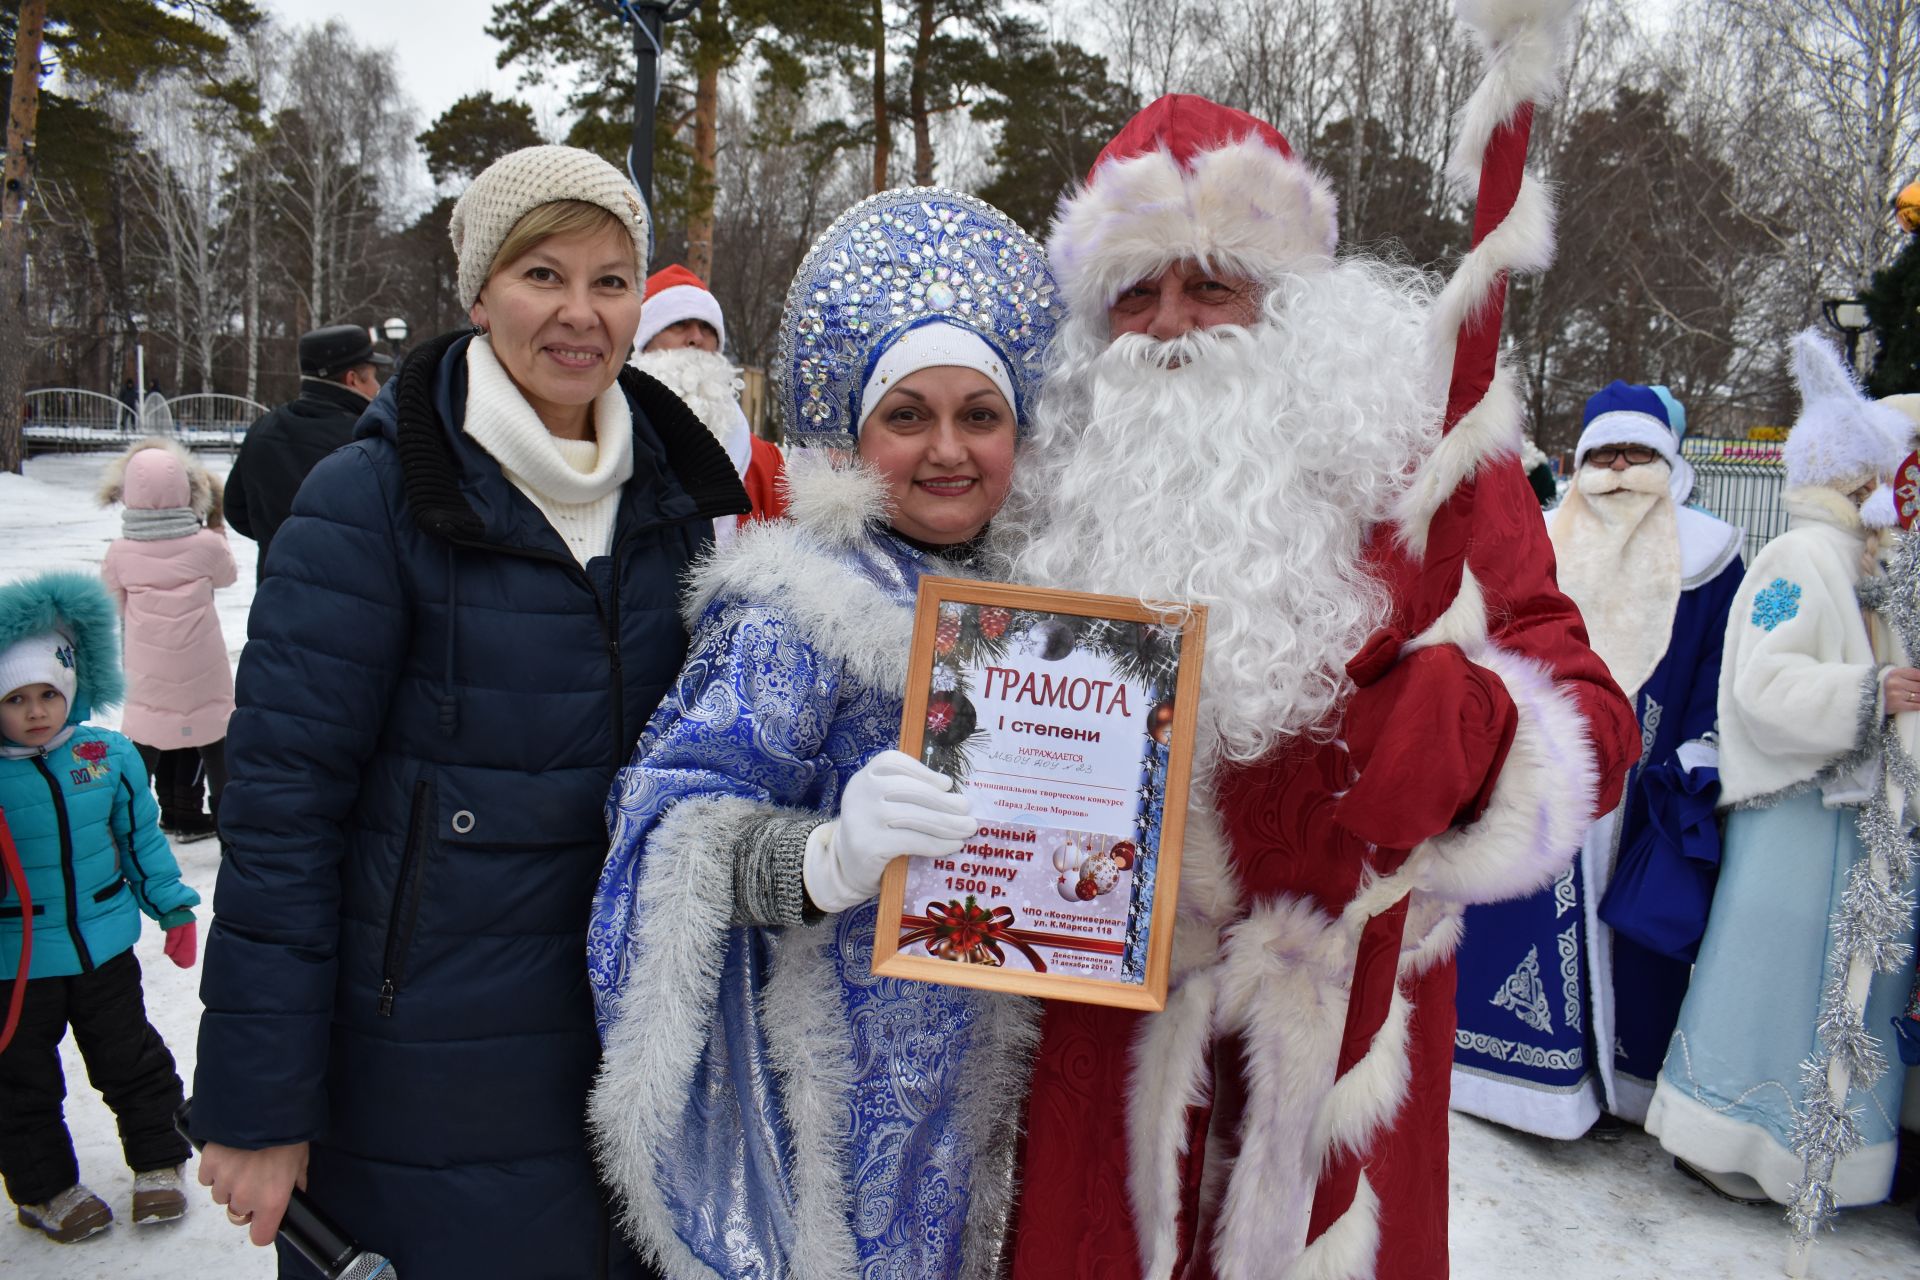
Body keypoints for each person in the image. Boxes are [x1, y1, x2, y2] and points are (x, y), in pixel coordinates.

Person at [992, 94, 1639, 1278]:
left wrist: (1489, 736)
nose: (1172, 325)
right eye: (1136, 293)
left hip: (1341, 1038)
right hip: (1108, 1035)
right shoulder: (1049, 476)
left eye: (1214, 283)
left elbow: (1591, 714)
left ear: (1288, 297)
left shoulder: (1429, 462)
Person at [190, 145, 749, 1279]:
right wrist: (258, 1100)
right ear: (481, 289)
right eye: (543, 274)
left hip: (627, 1043)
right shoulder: (374, 496)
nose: (580, 314)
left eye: (610, 279)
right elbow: (283, 802)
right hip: (424, 1060)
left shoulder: (675, 497)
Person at [586, 187, 1060, 1278]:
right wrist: (823, 857)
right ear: (854, 431)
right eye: (908, 416)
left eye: (979, 415)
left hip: (992, 1100)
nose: (948, 449)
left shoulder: (1049, 609)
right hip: (837, 1120)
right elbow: (665, 825)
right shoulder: (797, 603)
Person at [1644, 330, 1920, 1206]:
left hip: (1857, 818)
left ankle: (1813, 1162)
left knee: (1838, 995)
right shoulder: (1802, 558)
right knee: (1771, 990)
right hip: (1800, 819)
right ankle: (1727, 1136)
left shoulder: (1874, 565)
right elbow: (1764, 683)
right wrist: (1873, 691)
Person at [1452, 382, 1744, 1140]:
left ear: (1667, 460)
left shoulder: (1712, 555)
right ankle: (1527, 1081)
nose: (1618, 469)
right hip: (1548, 768)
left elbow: (1721, 665)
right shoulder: (1541, 538)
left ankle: (1627, 1081)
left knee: (1635, 931)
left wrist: (1700, 751)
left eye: (1637, 453)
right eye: (1604, 454)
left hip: (1653, 776)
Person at [0, 573, 200, 1242]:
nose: (36, 712)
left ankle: (158, 1160)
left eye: (48, 694)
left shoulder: (104, 756)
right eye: (16, 699)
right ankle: (45, 1189)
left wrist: (171, 909)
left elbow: (139, 841)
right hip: (15, 966)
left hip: (103, 946)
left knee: (130, 1056)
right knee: (20, 1081)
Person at [97, 439, 239, 839]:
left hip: (149, 669)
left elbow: (112, 602)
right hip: (203, 667)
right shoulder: (206, 544)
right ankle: (233, 833)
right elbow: (227, 577)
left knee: (143, 746)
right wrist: (214, 525)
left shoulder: (121, 552)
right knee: (217, 747)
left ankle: (120, 827)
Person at [631, 264, 788, 544]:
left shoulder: (765, 464)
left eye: (707, 327)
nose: (696, 338)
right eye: (679, 324)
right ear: (645, 342)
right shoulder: (610, 437)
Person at [224, 324, 393, 580]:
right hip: (353, 592)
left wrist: (279, 540)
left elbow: (237, 510)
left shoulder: (262, 429)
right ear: (353, 379)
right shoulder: (368, 438)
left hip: (277, 589)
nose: (377, 386)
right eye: (372, 377)